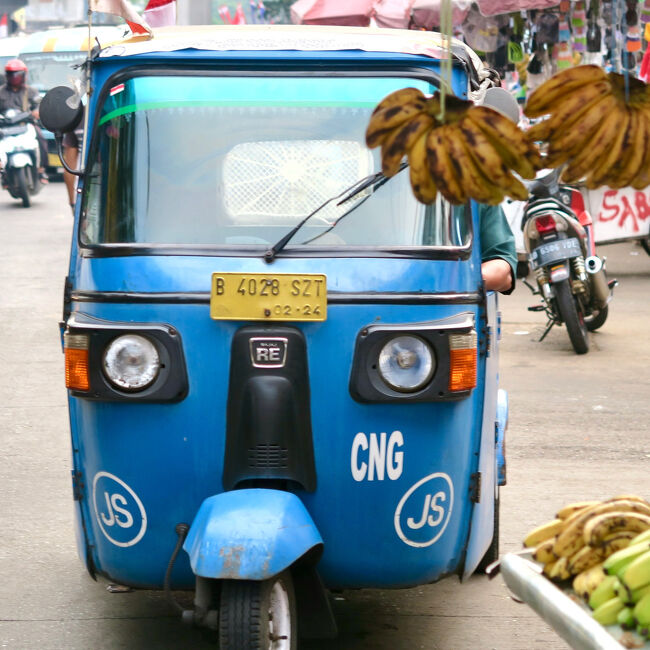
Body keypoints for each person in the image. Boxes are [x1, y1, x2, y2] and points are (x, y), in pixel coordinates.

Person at [0, 59, 48, 183]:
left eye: (17, 74)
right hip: (5, 126)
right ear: (7, 76)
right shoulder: (1, 91)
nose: (14, 77)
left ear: (23, 75)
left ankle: (41, 169)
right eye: (11, 74)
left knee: (41, 139)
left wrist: (36, 112)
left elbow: (39, 104)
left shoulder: (31, 91)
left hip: (26, 124)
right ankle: (4, 173)